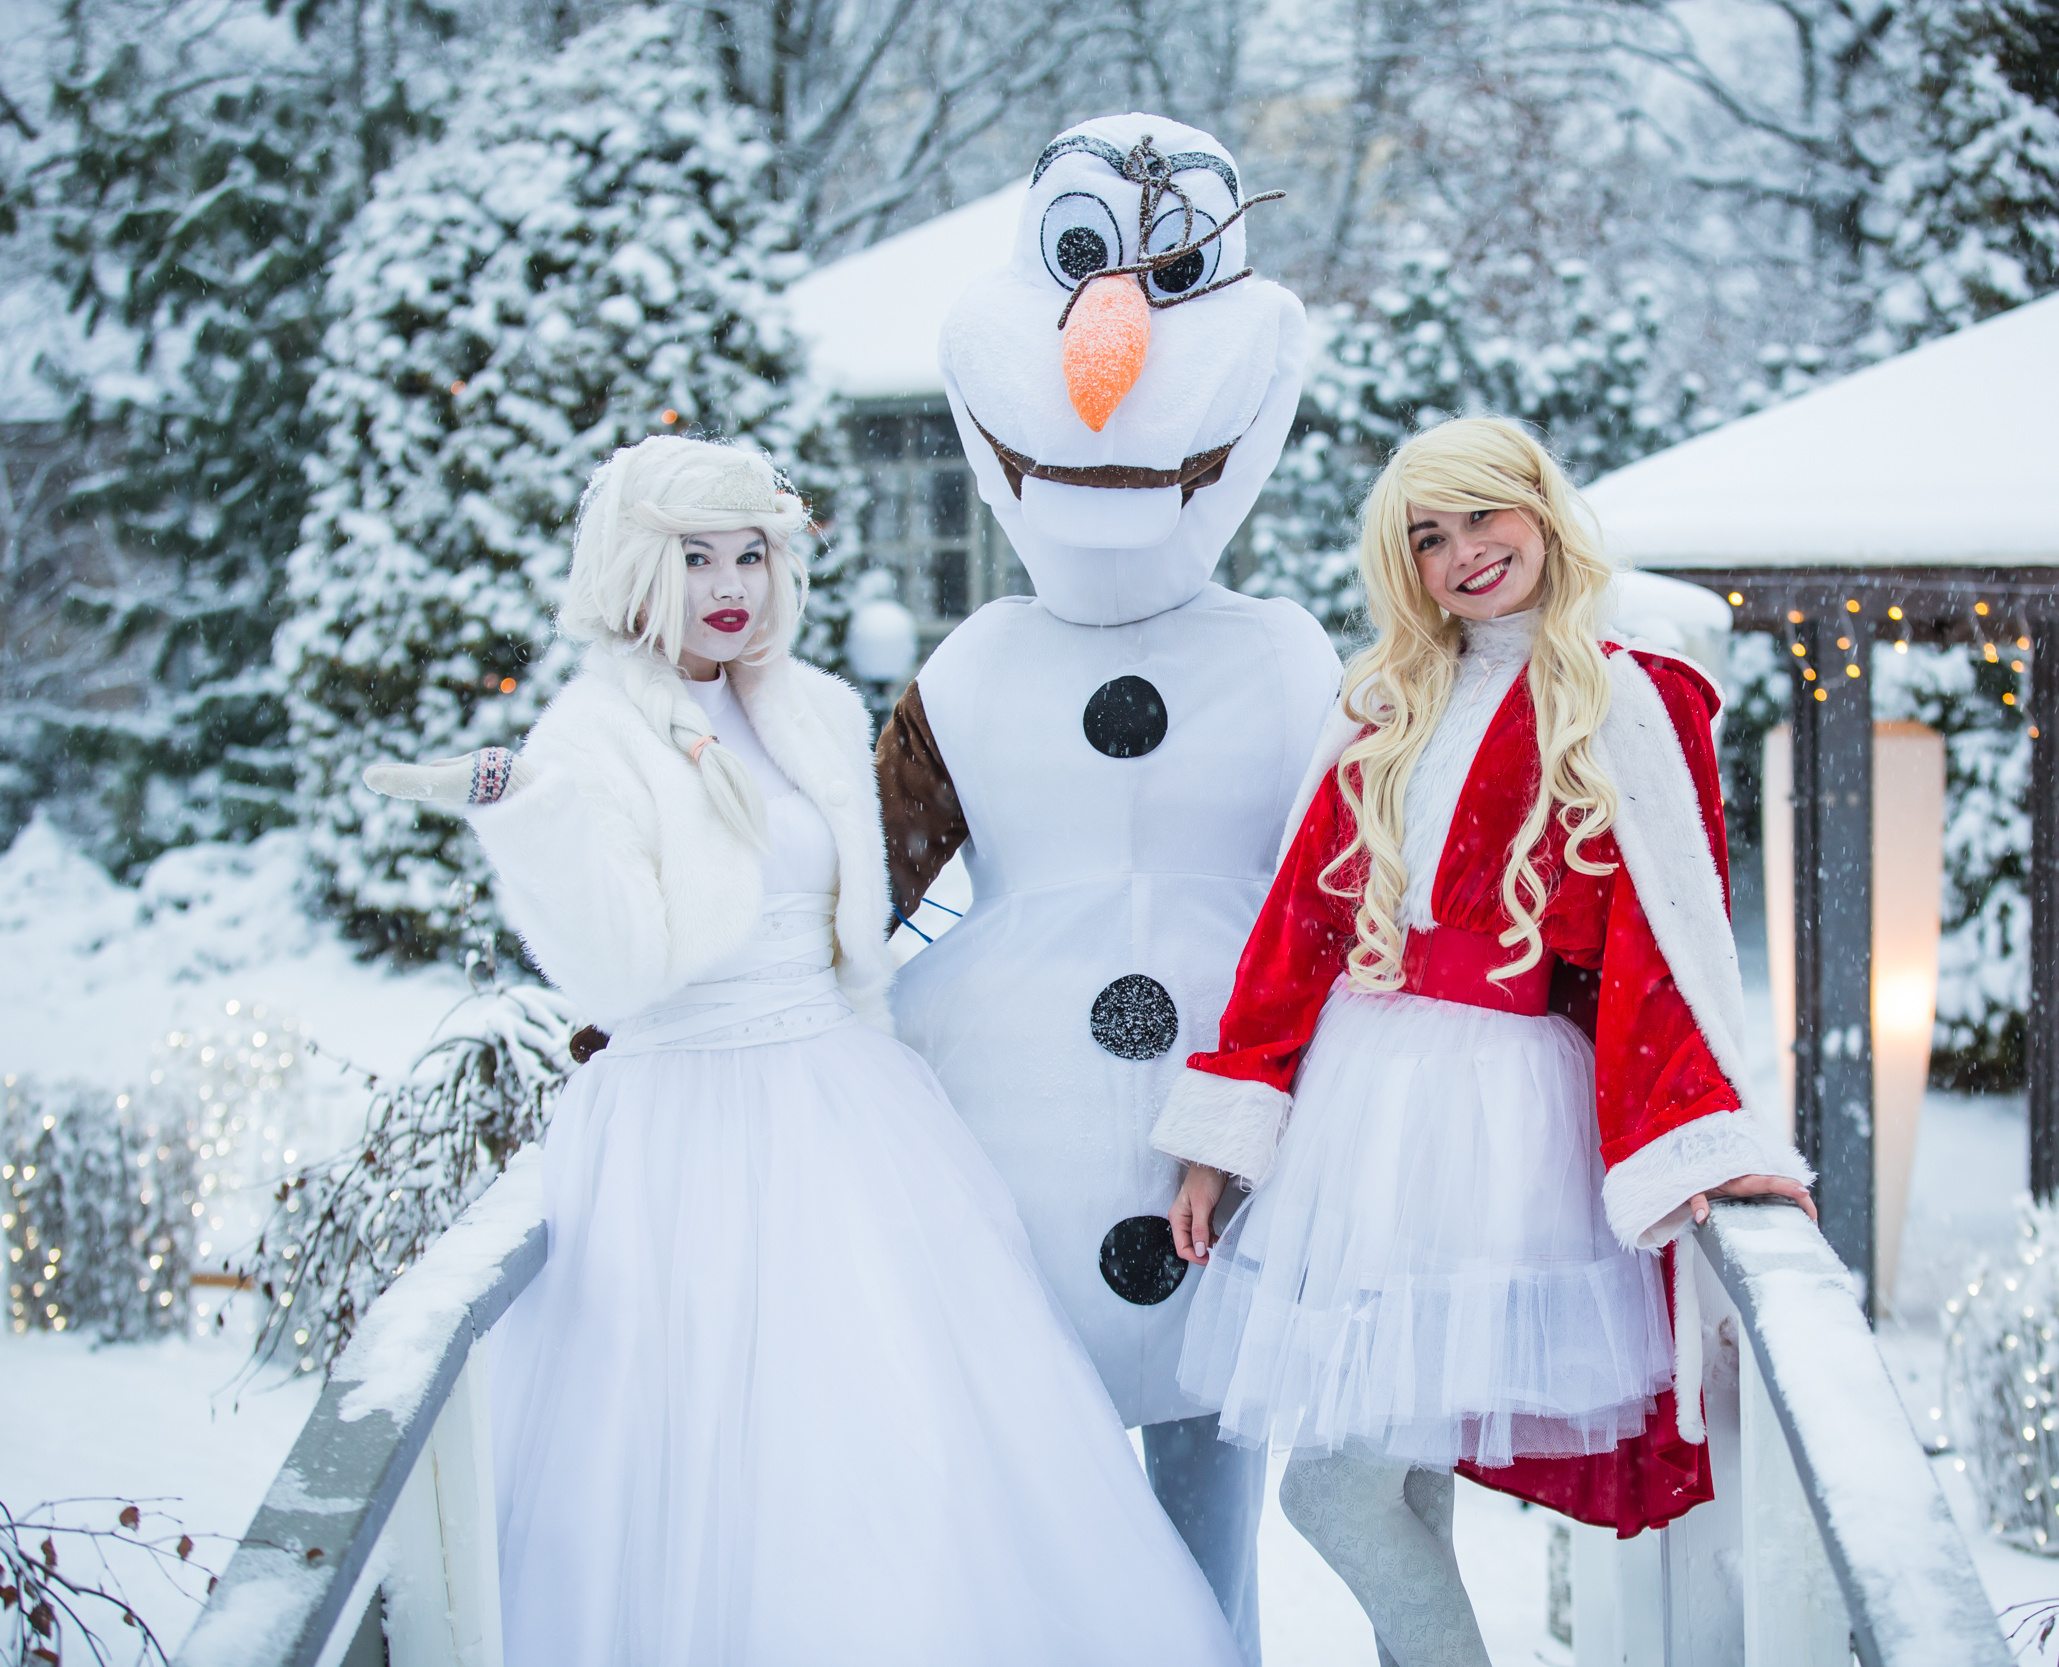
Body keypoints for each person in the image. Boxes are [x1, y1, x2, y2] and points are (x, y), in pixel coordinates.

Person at [361, 434, 1244, 1667]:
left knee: (896, 1415)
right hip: (687, 1111)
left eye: (753, 553)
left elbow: (864, 906)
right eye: (696, 557)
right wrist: (535, 817)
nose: (732, 583)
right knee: (708, 1431)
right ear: (633, 566)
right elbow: (618, 964)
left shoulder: (817, 708)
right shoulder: (593, 733)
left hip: (841, 1096)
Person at [1150, 418, 1816, 1667]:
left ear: (1542, 510)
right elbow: (1297, 926)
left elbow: (1667, 947)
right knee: (1397, 1483)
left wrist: (1702, 1133)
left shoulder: (1627, 696)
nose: (1464, 554)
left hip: (1494, 1126)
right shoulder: (1386, 700)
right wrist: (1223, 1135)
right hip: (1357, 1115)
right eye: (1428, 536)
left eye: (1484, 518)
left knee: (1331, 1490)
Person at [878, 112, 1341, 1663]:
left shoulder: (1286, 657)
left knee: (1212, 1494)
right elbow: (849, 894)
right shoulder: (970, 665)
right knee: (1034, 1505)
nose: (1110, 347)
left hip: (1226, 1145)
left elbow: (1359, 888)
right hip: (1002, 1161)